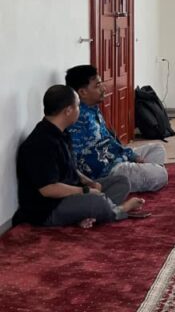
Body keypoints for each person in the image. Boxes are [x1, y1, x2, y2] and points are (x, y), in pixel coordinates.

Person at [14, 85, 146, 229]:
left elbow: (70, 168)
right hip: (49, 208)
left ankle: (86, 214)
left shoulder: (61, 132)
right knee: (96, 200)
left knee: (121, 182)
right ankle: (119, 210)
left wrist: (89, 183)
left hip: (71, 192)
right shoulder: (40, 143)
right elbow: (48, 189)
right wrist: (85, 191)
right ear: (68, 111)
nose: (80, 109)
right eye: (77, 105)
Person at [65, 65, 167, 192]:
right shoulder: (76, 118)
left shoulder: (92, 109)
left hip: (116, 159)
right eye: (98, 85)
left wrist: (131, 155)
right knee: (160, 174)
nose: (103, 88)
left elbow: (108, 141)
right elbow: (83, 161)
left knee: (158, 149)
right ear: (82, 92)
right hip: (109, 171)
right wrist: (124, 161)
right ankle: (121, 184)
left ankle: (141, 175)